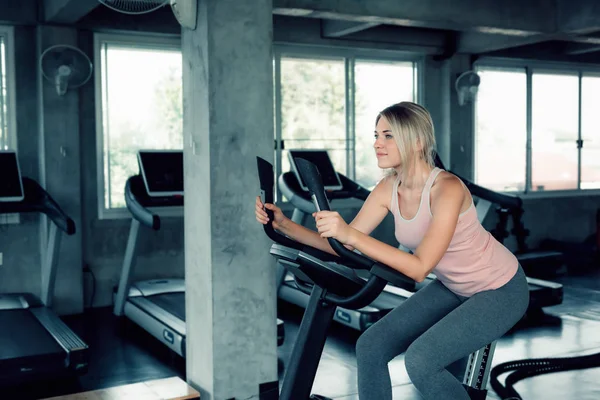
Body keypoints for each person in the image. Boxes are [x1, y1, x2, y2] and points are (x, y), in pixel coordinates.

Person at [255, 101, 529, 400]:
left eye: (388, 136)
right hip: (454, 286)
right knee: (371, 346)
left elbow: (419, 267)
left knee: (422, 361)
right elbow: (343, 244)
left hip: (501, 289)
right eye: (376, 135)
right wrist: (283, 225)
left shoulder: (447, 188)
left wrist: (350, 234)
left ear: (417, 141)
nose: (377, 144)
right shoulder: (388, 188)